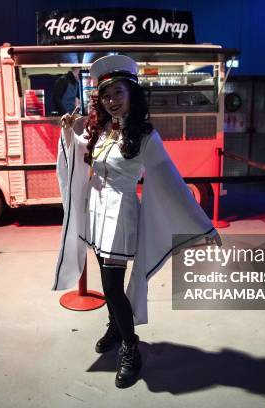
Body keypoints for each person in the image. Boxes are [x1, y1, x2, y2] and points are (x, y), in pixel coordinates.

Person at [53, 55, 220, 388]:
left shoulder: (146, 136)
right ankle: (116, 327)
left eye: (118, 93)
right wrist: (68, 134)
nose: (112, 101)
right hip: (97, 215)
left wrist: (203, 224)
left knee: (113, 288)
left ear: (132, 94)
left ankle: (130, 346)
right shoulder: (100, 129)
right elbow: (85, 149)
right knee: (108, 282)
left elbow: (171, 182)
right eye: (106, 95)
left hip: (120, 218)